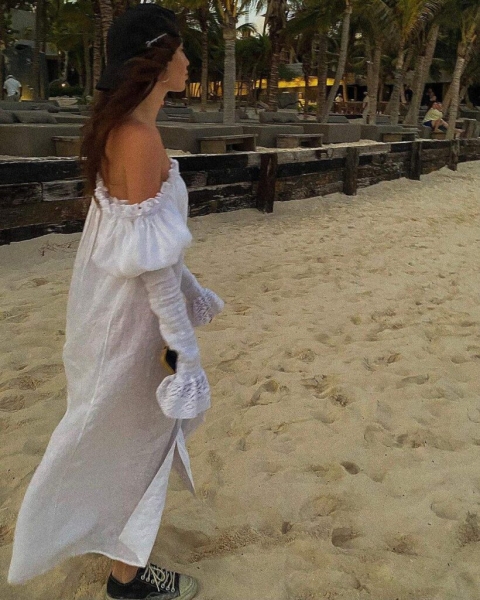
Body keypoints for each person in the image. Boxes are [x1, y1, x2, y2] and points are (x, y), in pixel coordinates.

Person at [8, 5, 224, 600]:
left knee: (121, 430)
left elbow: (151, 247)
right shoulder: (137, 138)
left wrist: (193, 292)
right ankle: (126, 579)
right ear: (156, 61)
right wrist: (183, 350)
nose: (188, 60)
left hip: (112, 308)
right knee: (134, 436)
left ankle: (116, 556)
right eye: (179, 49)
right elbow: (151, 265)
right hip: (131, 323)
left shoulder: (125, 129)